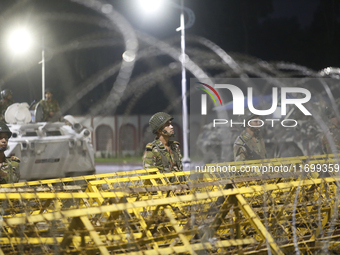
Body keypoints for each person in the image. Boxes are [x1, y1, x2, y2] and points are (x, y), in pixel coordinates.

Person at [142, 112, 184, 181]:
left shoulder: (175, 147)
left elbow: (179, 170)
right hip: (162, 190)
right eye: (167, 125)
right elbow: (150, 178)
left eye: (171, 124)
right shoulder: (152, 150)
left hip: (179, 189)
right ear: (159, 130)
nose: (171, 126)